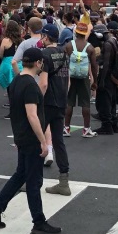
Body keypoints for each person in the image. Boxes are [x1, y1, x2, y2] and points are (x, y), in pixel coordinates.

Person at [0, 47, 62, 234]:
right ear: (38, 63)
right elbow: (32, 115)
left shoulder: (17, 81)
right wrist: (43, 141)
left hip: (20, 135)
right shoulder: (30, 85)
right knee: (34, 181)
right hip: (30, 138)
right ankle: (38, 221)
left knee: (21, 174)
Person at [38, 23, 72, 196]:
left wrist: (37, 99)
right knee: (58, 141)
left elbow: (43, 82)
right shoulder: (64, 53)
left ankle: (29, 178)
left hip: (47, 101)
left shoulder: (44, 54)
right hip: (61, 100)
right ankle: (64, 180)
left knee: (35, 138)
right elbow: (68, 79)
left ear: (46, 36)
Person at [65, 15, 97, 138]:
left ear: (76, 32)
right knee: (85, 103)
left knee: (69, 102)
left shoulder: (69, 46)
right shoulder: (90, 47)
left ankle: (66, 128)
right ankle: (86, 129)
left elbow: (64, 62)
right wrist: (95, 82)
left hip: (71, 76)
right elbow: (94, 66)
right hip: (84, 77)